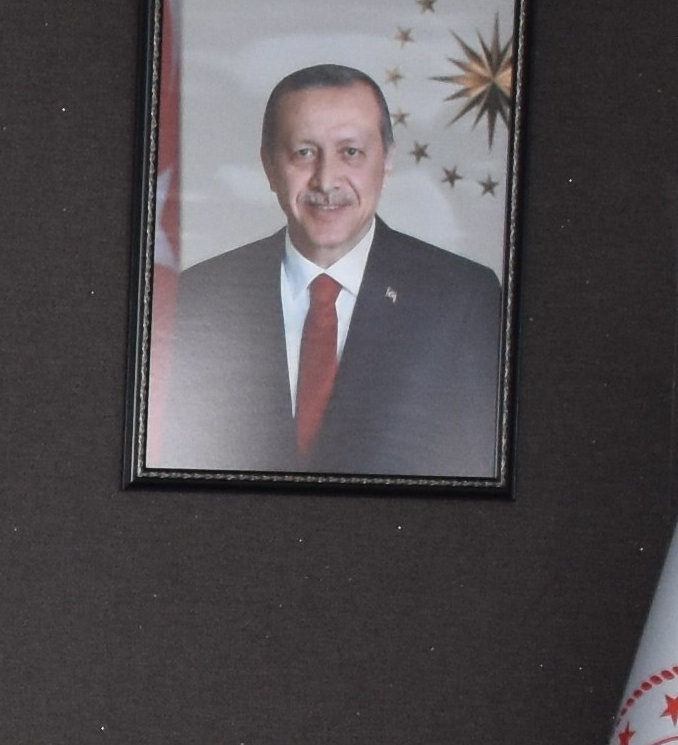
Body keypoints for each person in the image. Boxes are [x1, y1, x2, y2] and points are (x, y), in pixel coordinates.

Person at [145, 65, 509, 480]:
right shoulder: (199, 297)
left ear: (387, 161)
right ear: (269, 166)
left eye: (350, 152)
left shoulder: (462, 299)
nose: (326, 179)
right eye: (304, 152)